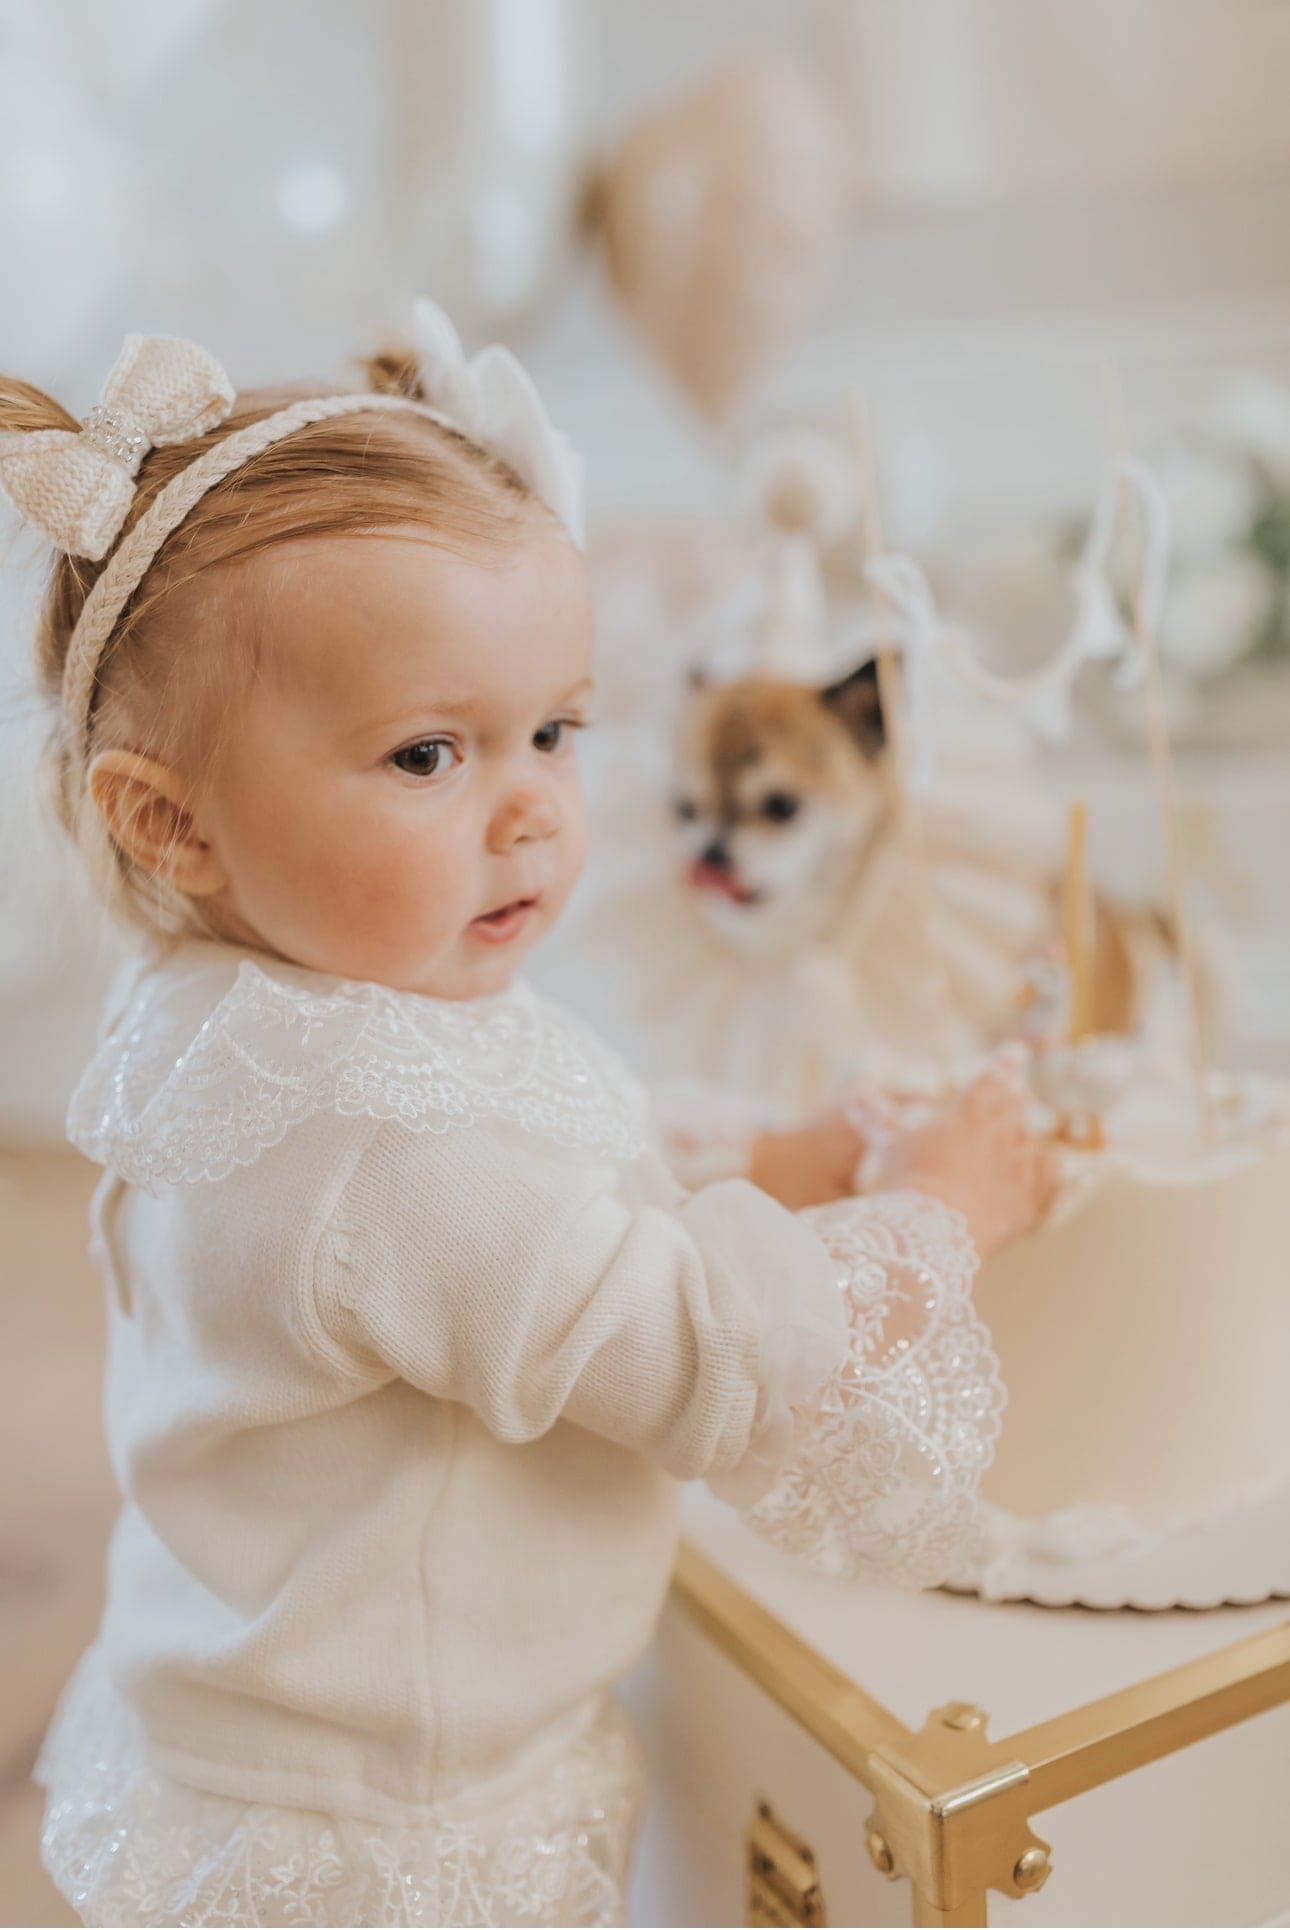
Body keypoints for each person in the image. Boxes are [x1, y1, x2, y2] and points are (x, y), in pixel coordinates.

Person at [0, 307, 1055, 1927]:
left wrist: (770, 1155)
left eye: (555, 729)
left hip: (259, 1712)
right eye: (429, 752)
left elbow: (551, 1141)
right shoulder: (382, 1149)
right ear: (174, 823)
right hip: (392, 1831)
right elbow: (703, 1354)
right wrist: (940, 1207)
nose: (532, 810)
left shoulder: (269, 1013)